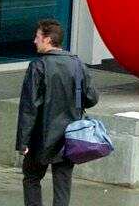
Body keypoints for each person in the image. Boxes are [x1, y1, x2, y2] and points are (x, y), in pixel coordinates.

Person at [16, 19, 98, 206]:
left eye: (37, 36)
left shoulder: (38, 66)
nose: (34, 40)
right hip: (70, 136)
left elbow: (29, 107)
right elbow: (92, 98)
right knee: (62, 183)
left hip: (41, 137)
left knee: (32, 178)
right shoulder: (77, 64)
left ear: (47, 39)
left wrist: (23, 141)